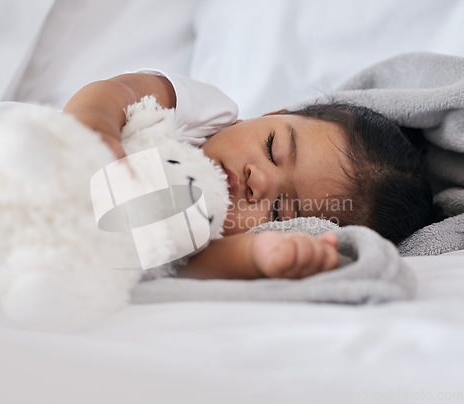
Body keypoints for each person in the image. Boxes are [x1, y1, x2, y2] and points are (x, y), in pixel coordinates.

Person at [63, 71, 433, 280]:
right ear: (272, 114)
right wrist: (94, 125)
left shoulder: (201, 232)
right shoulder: (207, 114)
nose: (261, 181)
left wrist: (259, 256)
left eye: (279, 213)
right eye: (272, 148)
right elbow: (118, 91)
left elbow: (190, 268)